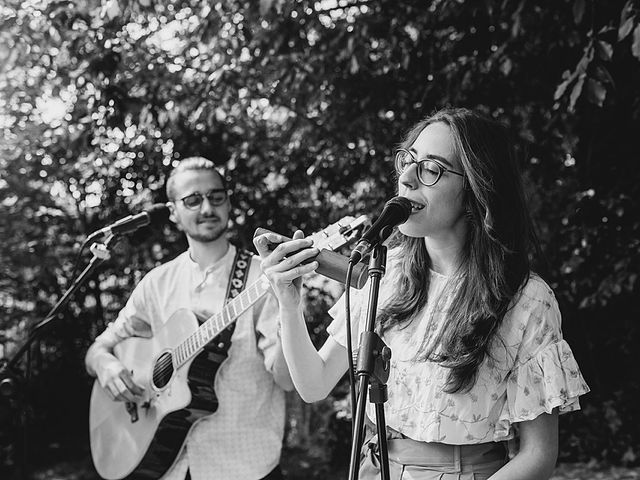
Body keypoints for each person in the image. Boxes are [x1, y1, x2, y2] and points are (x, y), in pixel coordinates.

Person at [253, 108, 590, 479]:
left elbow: (538, 454)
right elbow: (313, 384)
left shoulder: (527, 300)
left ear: (475, 188)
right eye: (407, 161)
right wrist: (288, 301)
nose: (408, 179)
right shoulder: (385, 273)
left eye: (432, 169)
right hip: (374, 467)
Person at [85, 157, 293, 480]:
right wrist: (105, 365)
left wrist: (290, 305)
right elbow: (99, 349)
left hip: (244, 468)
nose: (207, 207)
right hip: (169, 468)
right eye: (193, 200)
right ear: (173, 212)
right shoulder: (157, 283)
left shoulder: (262, 275)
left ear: (228, 201)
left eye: (216, 196)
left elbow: (287, 379)